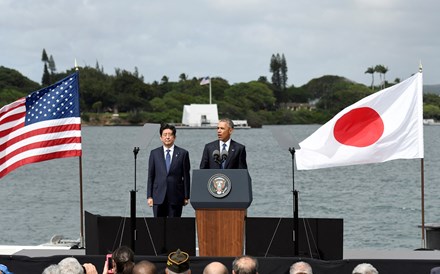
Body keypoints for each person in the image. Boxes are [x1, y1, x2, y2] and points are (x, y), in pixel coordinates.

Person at [147, 124, 191, 217]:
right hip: (158, 196)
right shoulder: (154, 153)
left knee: (174, 227)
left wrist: (186, 196)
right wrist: (149, 196)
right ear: (161, 137)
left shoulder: (183, 153)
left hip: (176, 196)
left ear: (174, 137)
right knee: (158, 226)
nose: (167, 137)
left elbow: (186, 176)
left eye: (170, 134)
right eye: (165, 135)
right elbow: (151, 176)